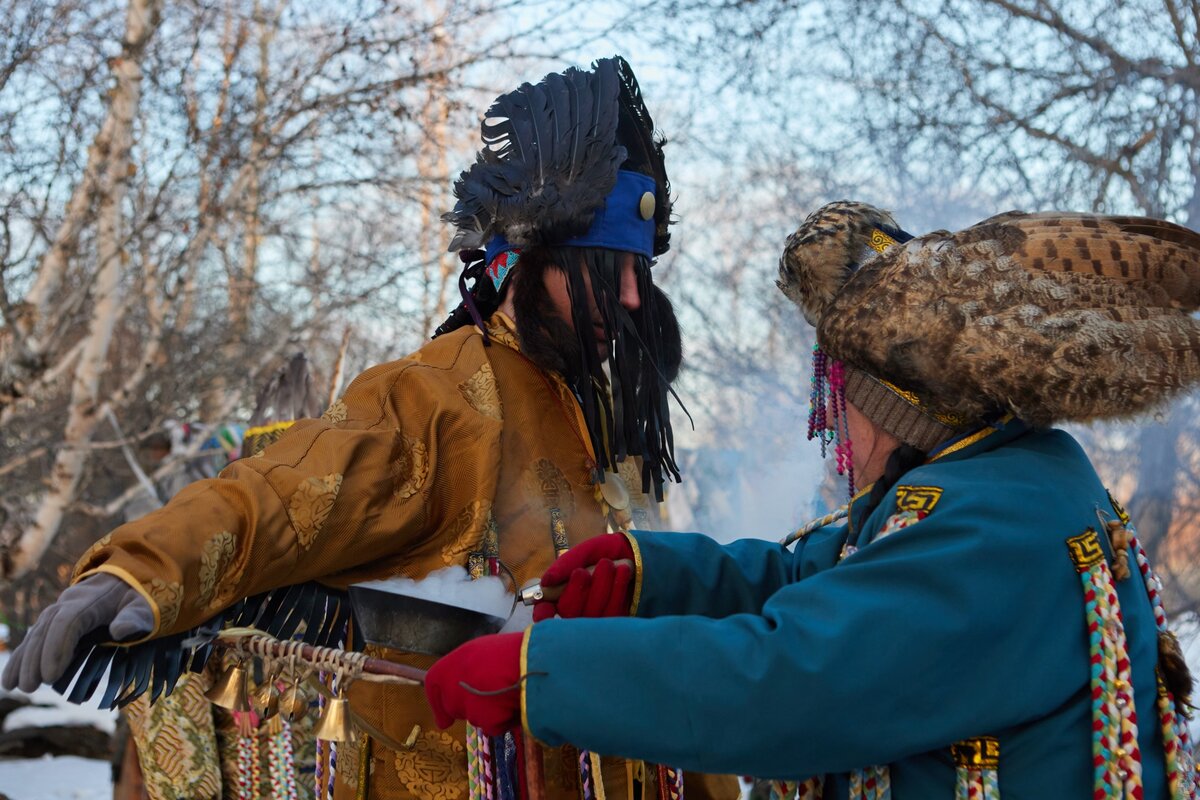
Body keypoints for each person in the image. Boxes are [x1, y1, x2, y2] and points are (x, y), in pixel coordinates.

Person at [3, 57, 736, 800]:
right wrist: (136, 569)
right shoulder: (445, 397)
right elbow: (280, 497)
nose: (635, 300)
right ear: (532, 260)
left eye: (641, 275)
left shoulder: (604, 416)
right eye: (610, 271)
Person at [425, 202, 1200, 798]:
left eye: (838, 402)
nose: (834, 436)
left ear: (899, 407)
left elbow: (787, 685)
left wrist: (542, 672)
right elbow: (822, 583)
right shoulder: (1005, 479)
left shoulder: (994, 529)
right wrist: (654, 574)